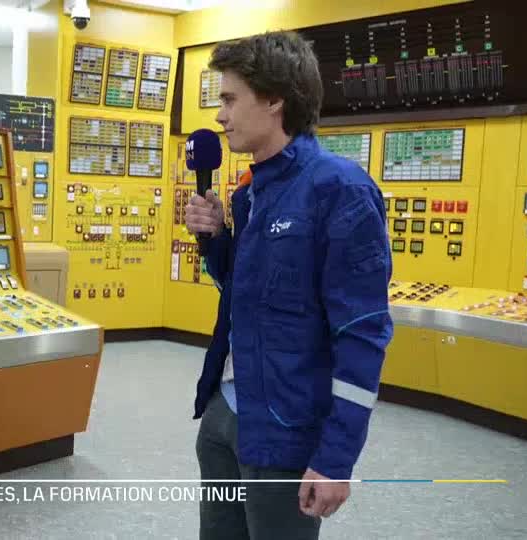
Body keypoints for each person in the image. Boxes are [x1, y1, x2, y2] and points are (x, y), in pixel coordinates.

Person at [186, 31, 393, 540]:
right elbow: (239, 294)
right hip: (225, 418)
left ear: (276, 99)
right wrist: (215, 240)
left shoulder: (339, 191)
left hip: (284, 432)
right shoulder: (250, 191)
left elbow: (363, 333)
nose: (219, 115)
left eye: (230, 99)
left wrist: (337, 457)